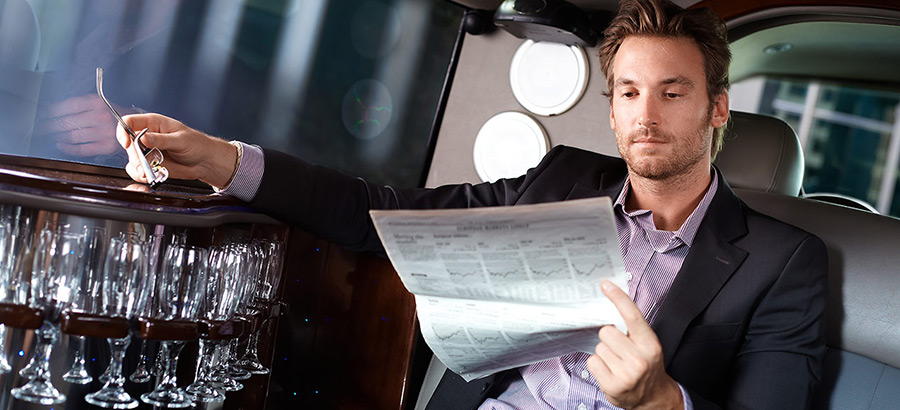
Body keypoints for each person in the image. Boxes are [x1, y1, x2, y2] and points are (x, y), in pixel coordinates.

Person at [117, 0, 827, 408]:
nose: (647, 116)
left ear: (717, 109)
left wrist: (661, 403)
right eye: (629, 94)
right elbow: (380, 213)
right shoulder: (560, 179)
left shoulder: (783, 261)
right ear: (611, 112)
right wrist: (223, 161)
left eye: (673, 93)